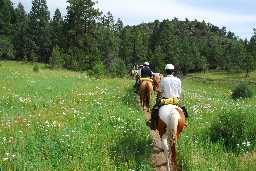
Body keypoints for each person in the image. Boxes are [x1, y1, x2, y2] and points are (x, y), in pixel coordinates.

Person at [150, 64, 188, 130]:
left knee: (154, 109)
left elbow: (160, 91)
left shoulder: (163, 80)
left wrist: (158, 97)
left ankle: (153, 124)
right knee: (184, 112)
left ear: (166, 71)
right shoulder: (178, 80)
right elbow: (179, 92)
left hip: (165, 100)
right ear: (173, 71)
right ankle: (185, 123)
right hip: (175, 100)